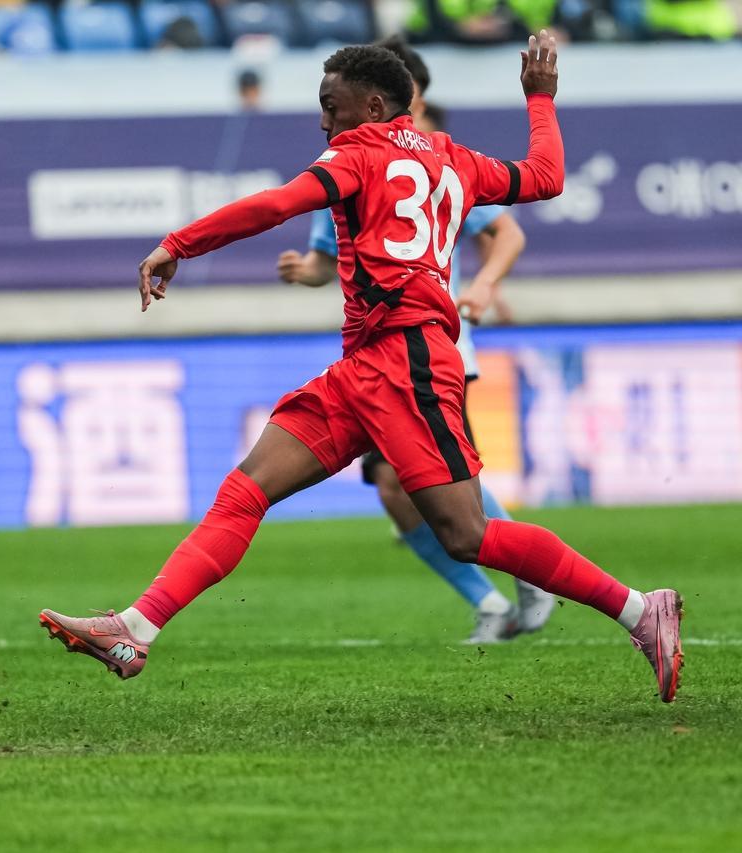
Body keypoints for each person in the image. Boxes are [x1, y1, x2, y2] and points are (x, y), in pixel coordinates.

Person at [40, 33, 684, 703]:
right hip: (369, 365)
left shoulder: (357, 152)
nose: (324, 121)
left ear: (372, 106)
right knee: (248, 488)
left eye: (331, 105)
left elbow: (276, 205)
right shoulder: (456, 159)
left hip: (407, 361)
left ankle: (641, 609)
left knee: (467, 534)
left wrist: (179, 243)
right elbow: (545, 176)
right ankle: (136, 627)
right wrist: (541, 99)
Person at [277, 43, 551, 645]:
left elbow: (505, 231)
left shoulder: (435, 164)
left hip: (431, 348)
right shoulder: (341, 165)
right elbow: (328, 258)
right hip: (375, 354)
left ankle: (529, 572)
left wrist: (484, 285)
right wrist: (307, 271)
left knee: (442, 485)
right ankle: (490, 600)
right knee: (396, 489)